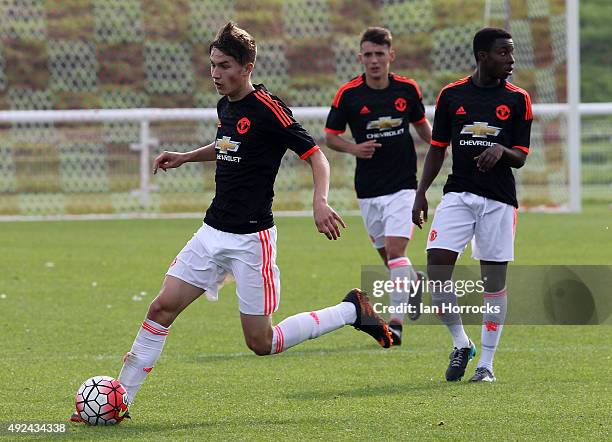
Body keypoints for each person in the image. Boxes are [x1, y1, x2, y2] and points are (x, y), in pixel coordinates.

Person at [71, 22, 392, 422]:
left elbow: (317, 155)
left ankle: (350, 311)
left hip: (251, 240)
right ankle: (120, 402)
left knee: (261, 342)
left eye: (223, 66)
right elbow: (227, 145)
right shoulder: (225, 105)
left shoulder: (269, 109)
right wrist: (187, 156)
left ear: (247, 66)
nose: (215, 74)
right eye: (212, 65)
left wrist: (320, 202)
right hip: (211, 233)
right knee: (161, 309)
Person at [412, 27, 532, 382]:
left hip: (499, 201)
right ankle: (461, 343)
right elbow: (437, 148)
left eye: (511, 53)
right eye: (503, 53)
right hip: (458, 195)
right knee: (437, 267)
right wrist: (421, 193)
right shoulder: (452, 95)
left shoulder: (518, 99)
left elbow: (521, 156)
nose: (511, 60)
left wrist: (502, 151)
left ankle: (486, 365)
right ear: (483, 56)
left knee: (492, 283)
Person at [325, 27, 432, 345]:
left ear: (390, 56)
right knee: (390, 259)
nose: (374, 60)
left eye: (379, 54)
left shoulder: (408, 90)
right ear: (360, 57)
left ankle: (395, 324)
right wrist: (354, 149)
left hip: (403, 186)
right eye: (368, 55)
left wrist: (451, 146)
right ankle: (413, 284)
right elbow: (331, 136)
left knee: (398, 252)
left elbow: (425, 130)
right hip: (369, 189)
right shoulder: (349, 95)